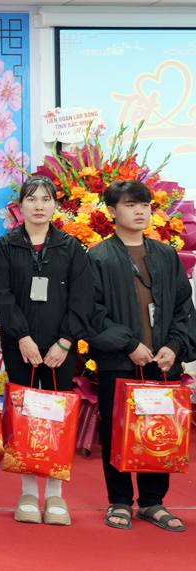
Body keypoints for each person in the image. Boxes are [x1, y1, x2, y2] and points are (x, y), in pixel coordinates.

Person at [87, 180, 195, 532]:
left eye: (145, 205)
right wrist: (129, 344)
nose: (140, 211)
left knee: (159, 430)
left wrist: (174, 346)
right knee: (117, 431)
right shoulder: (99, 257)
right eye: (131, 204)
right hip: (120, 362)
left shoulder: (165, 254)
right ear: (112, 211)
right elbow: (91, 313)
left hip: (162, 363)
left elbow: (183, 308)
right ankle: (119, 500)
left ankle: (152, 502)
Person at [0, 176, 93, 526]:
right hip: (20, 346)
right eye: (31, 199)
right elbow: (2, 295)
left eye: (46, 199)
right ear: (20, 206)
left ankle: (55, 494)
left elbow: (82, 297)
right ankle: (29, 493)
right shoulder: (6, 245)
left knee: (55, 417)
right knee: (24, 416)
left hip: (60, 349)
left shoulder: (71, 246)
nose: (38, 205)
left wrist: (66, 341)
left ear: (55, 205)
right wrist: (21, 336)